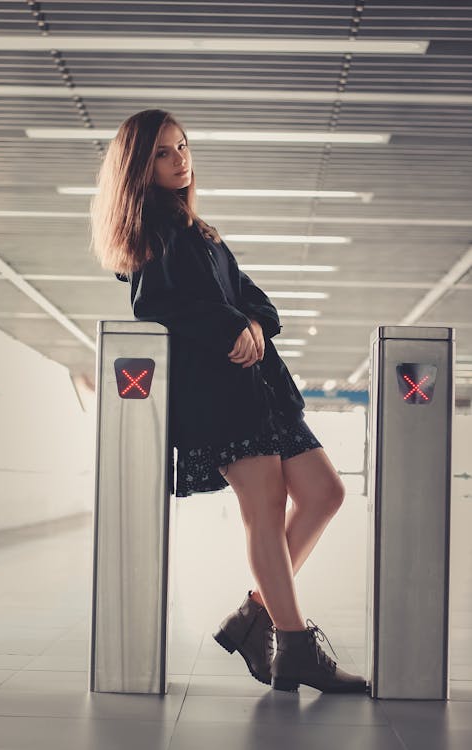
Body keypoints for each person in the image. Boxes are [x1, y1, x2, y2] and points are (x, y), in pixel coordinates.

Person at [90, 108, 367, 695]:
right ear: (139, 166)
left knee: (324, 492)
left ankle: (253, 615)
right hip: (219, 396)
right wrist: (229, 329)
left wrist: (255, 328)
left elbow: (257, 300)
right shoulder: (152, 234)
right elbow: (156, 304)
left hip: (263, 390)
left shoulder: (202, 233)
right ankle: (294, 647)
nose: (179, 159)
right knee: (264, 507)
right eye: (163, 152)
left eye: (182, 146)